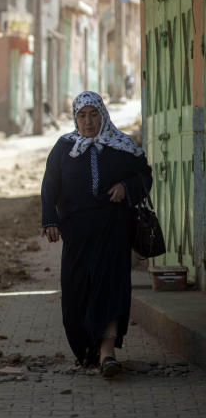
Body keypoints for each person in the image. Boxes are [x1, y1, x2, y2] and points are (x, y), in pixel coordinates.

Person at [40, 91, 152, 378]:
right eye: (82, 115)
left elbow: (144, 175)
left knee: (111, 289)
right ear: (75, 118)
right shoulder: (64, 147)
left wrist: (127, 187)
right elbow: (50, 184)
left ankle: (107, 352)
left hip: (113, 230)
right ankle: (87, 351)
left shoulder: (122, 146)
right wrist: (50, 219)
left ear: (103, 115)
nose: (88, 122)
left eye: (93, 114)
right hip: (77, 235)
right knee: (77, 293)